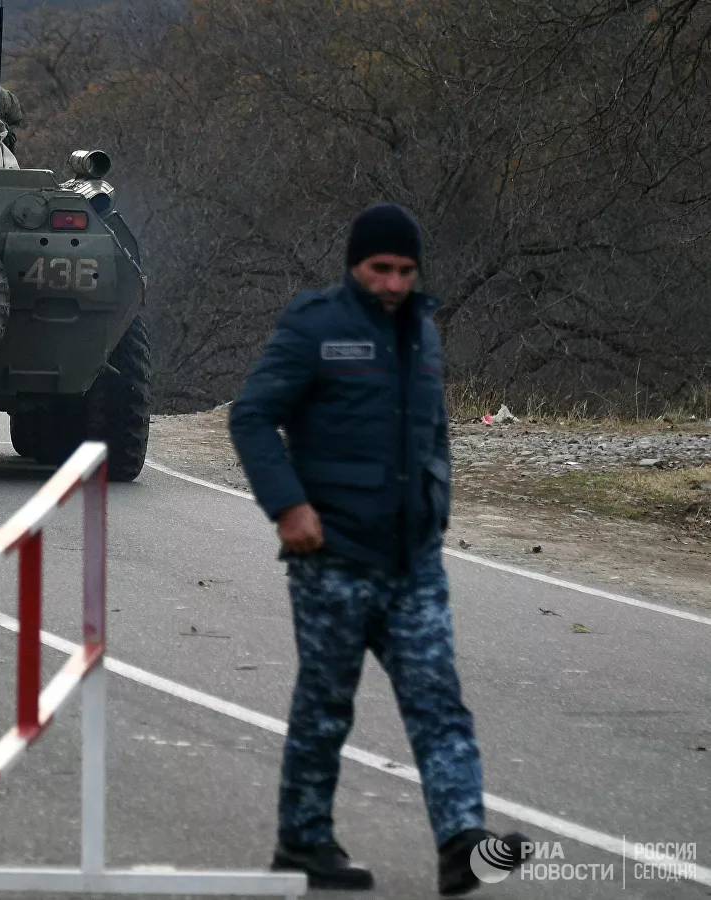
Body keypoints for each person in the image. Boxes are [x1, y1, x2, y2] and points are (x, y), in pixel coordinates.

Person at [228, 204, 528, 895]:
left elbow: (433, 431)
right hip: (331, 557)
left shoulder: (423, 331)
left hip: (412, 563)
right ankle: (302, 843)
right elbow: (251, 416)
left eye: (404, 270)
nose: (393, 283)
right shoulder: (316, 326)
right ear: (355, 266)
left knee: (439, 702)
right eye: (379, 269)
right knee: (326, 707)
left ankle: (461, 844)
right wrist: (288, 507)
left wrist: (437, 504)